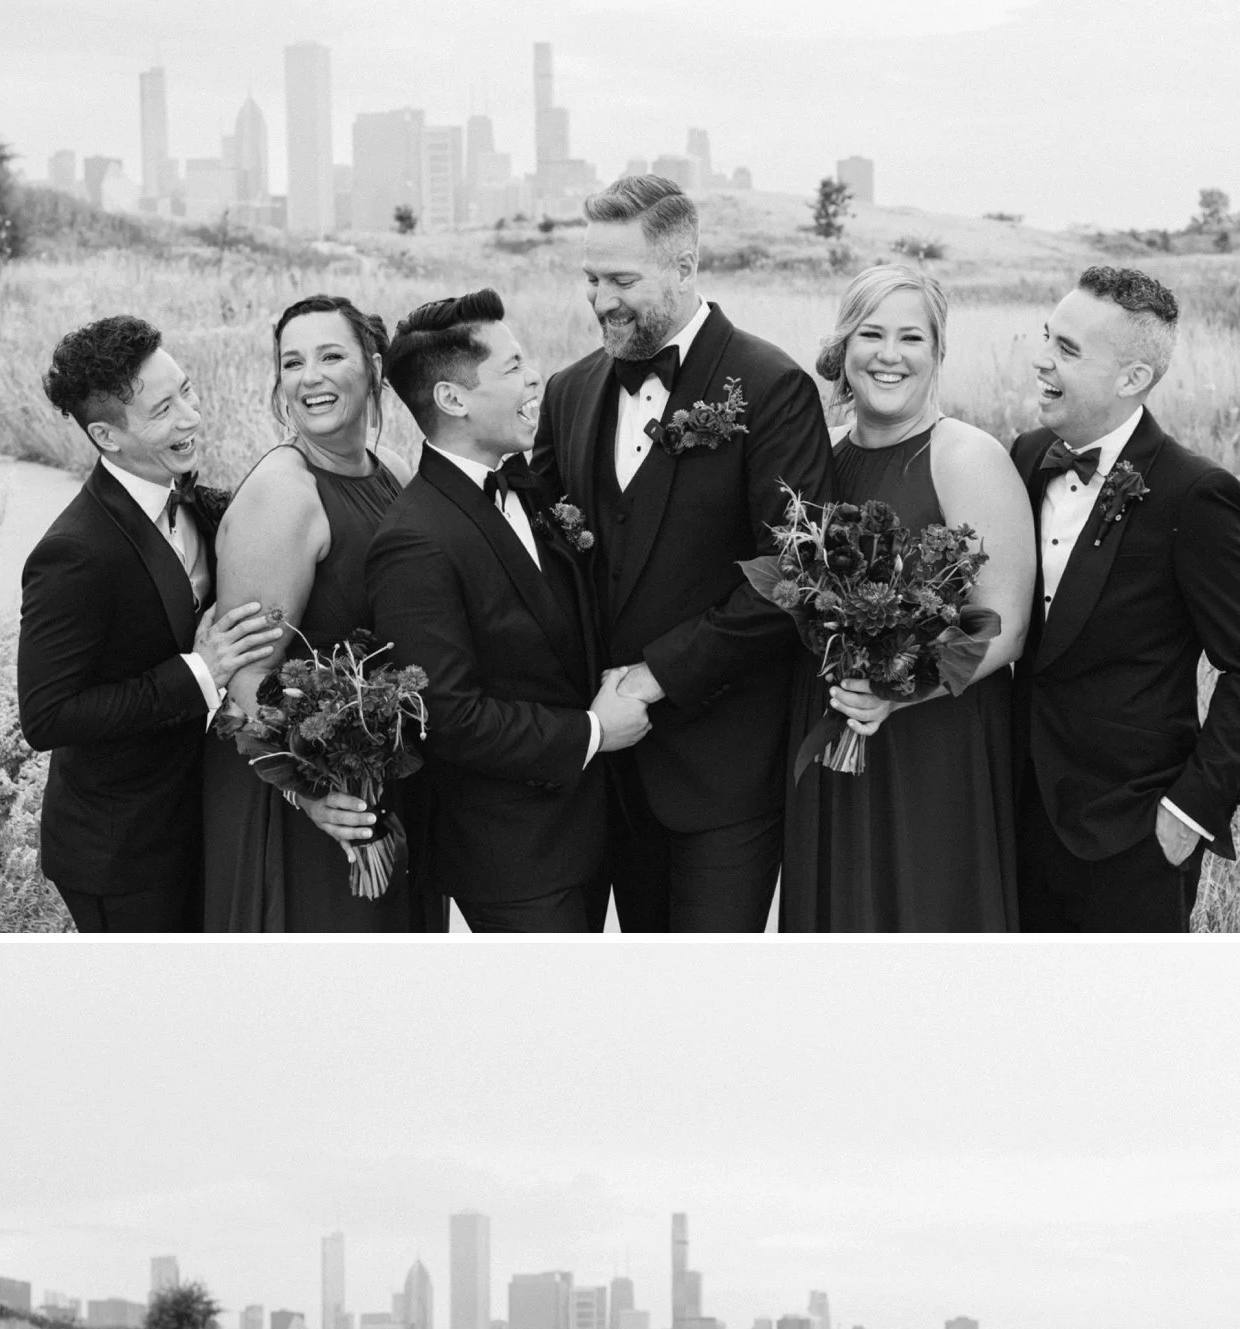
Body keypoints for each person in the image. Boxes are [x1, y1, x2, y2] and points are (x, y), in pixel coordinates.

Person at [534, 174, 834, 931]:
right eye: (592, 278)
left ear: (684, 267)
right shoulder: (569, 392)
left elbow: (794, 575)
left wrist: (652, 679)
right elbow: (538, 553)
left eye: (623, 280)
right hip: (606, 772)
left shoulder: (772, 387)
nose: (602, 299)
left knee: (711, 1002)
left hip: (724, 773)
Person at [1012, 266, 1240, 931]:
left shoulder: (1197, 494)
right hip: (1013, 817)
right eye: (1050, 337)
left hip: (1131, 836)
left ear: (1132, 379)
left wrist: (1187, 813)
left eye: (1068, 350)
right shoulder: (1022, 456)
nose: (1041, 359)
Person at [370, 290, 648, 932]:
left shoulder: (529, 484)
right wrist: (594, 731)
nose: (534, 378)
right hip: (510, 855)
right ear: (453, 399)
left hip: (588, 831)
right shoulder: (415, 539)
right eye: (512, 366)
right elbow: (445, 715)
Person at [783, 265, 1036, 931]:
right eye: (871, 334)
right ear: (844, 348)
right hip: (833, 728)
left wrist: (898, 692)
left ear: (939, 352)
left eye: (911, 337)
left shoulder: (966, 457)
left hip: (934, 743)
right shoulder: (821, 458)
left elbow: (1005, 629)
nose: (888, 355)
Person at [18, 316, 280, 932]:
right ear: (108, 436)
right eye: (164, 409)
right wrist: (199, 672)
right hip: (121, 854)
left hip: (194, 817)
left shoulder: (190, 498)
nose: (190, 416)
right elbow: (47, 715)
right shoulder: (75, 553)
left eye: (186, 390)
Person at [202, 293, 446, 932]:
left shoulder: (389, 469)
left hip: (383, 777)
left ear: (372, 369)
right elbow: (246, 678)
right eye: (291, 362)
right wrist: (309, 792)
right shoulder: (284, 493)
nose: (309, 377)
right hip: (313, 806)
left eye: (330, 355)